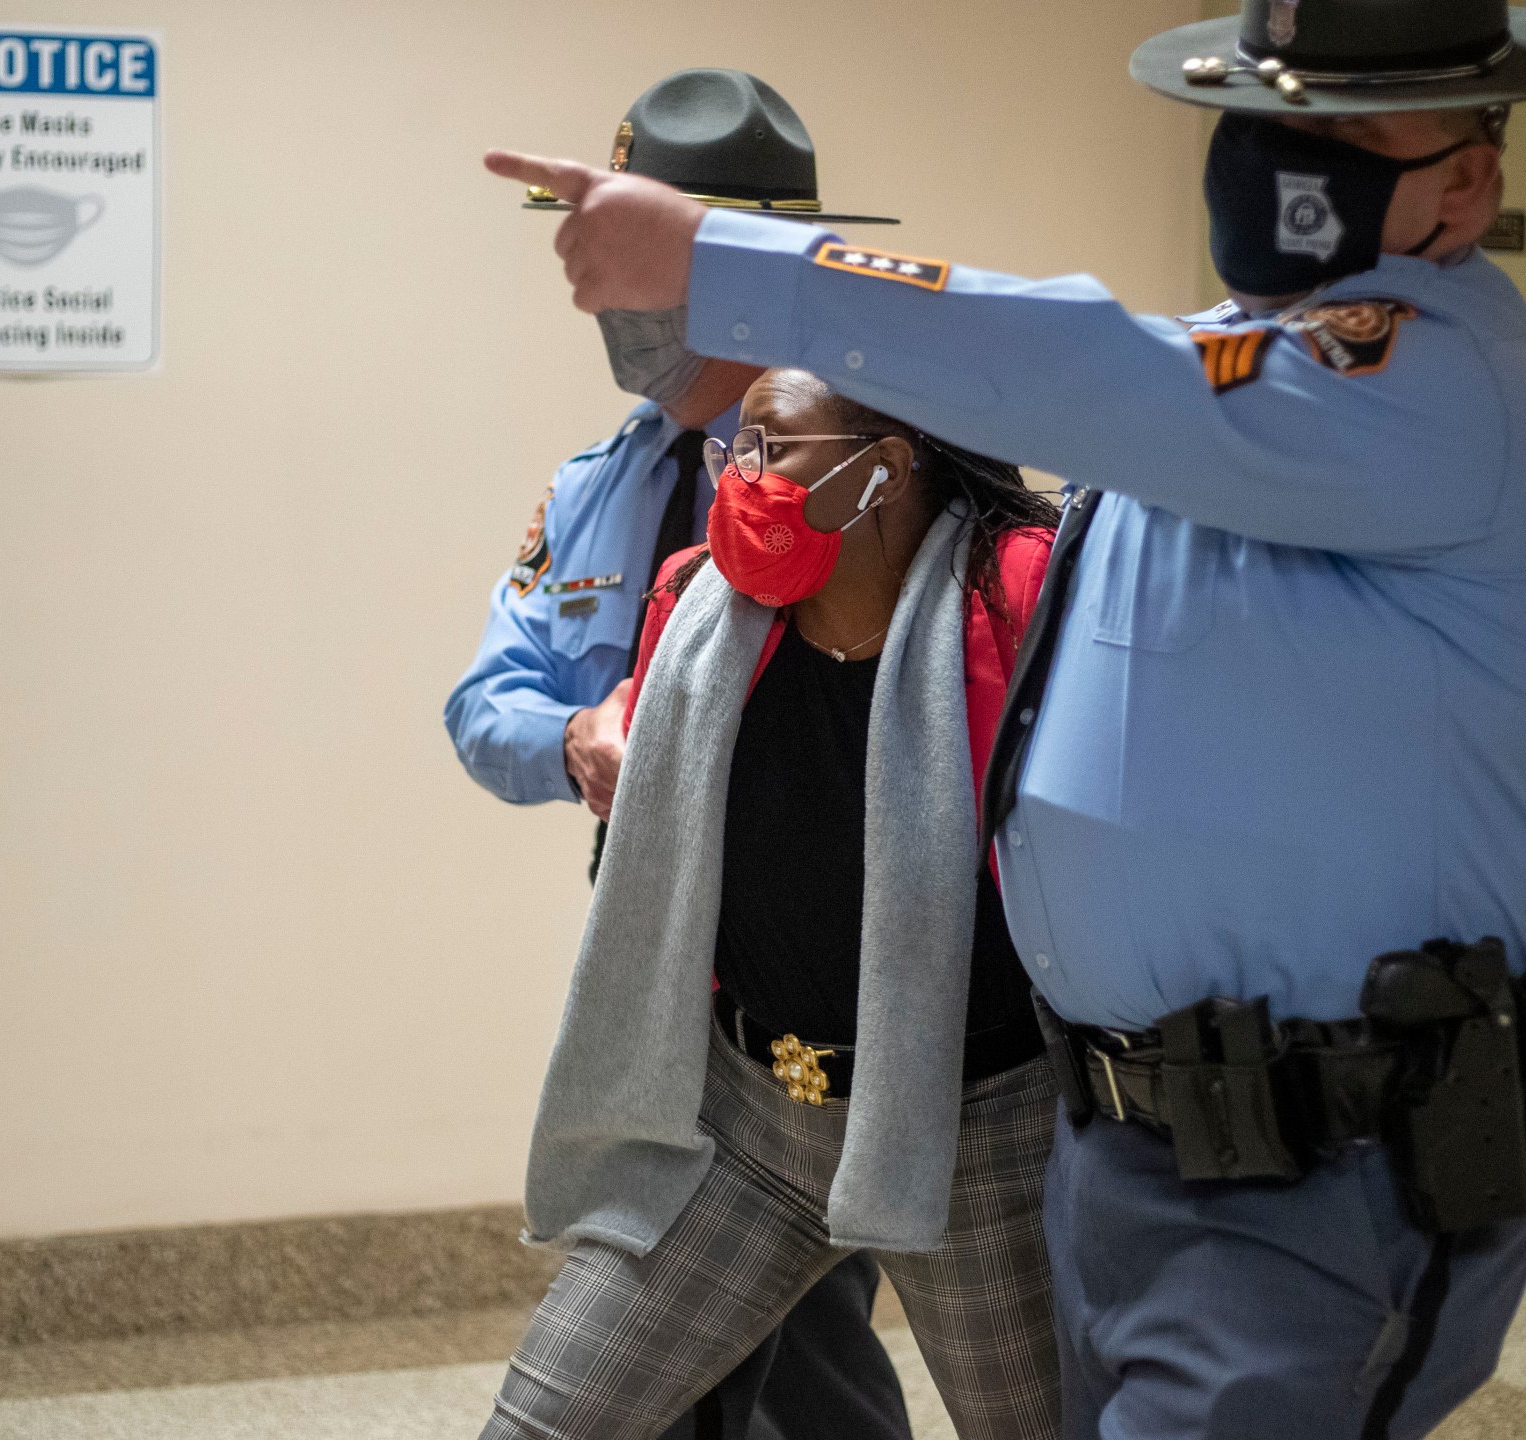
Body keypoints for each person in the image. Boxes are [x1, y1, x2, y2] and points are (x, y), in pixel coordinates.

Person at [483, 2, 1526, 1436]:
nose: (1284, 158)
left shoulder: (1429, 387)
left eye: (1345, 134)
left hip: (1321, 1158)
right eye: (1269, 120)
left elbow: (1096, 374)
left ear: (1468, 178)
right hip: (1124, 1142)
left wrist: (722, 263)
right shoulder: (1237, 368)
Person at [444, 69, 912, 1440]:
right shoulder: (607, 480)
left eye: (624, 247)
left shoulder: (876, 465)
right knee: (742, 1357)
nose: (593, 292)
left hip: (839, 979)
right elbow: (486, 702)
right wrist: (576, 736)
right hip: (659, 980)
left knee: (788, 1344)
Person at [479, 369, 1064, 1440]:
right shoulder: (694, 605)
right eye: (727, 454)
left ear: (881, 469)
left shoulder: (1015, 597)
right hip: (746, 1123)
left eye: (773, 451)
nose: (738, 483)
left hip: (971, 1126)